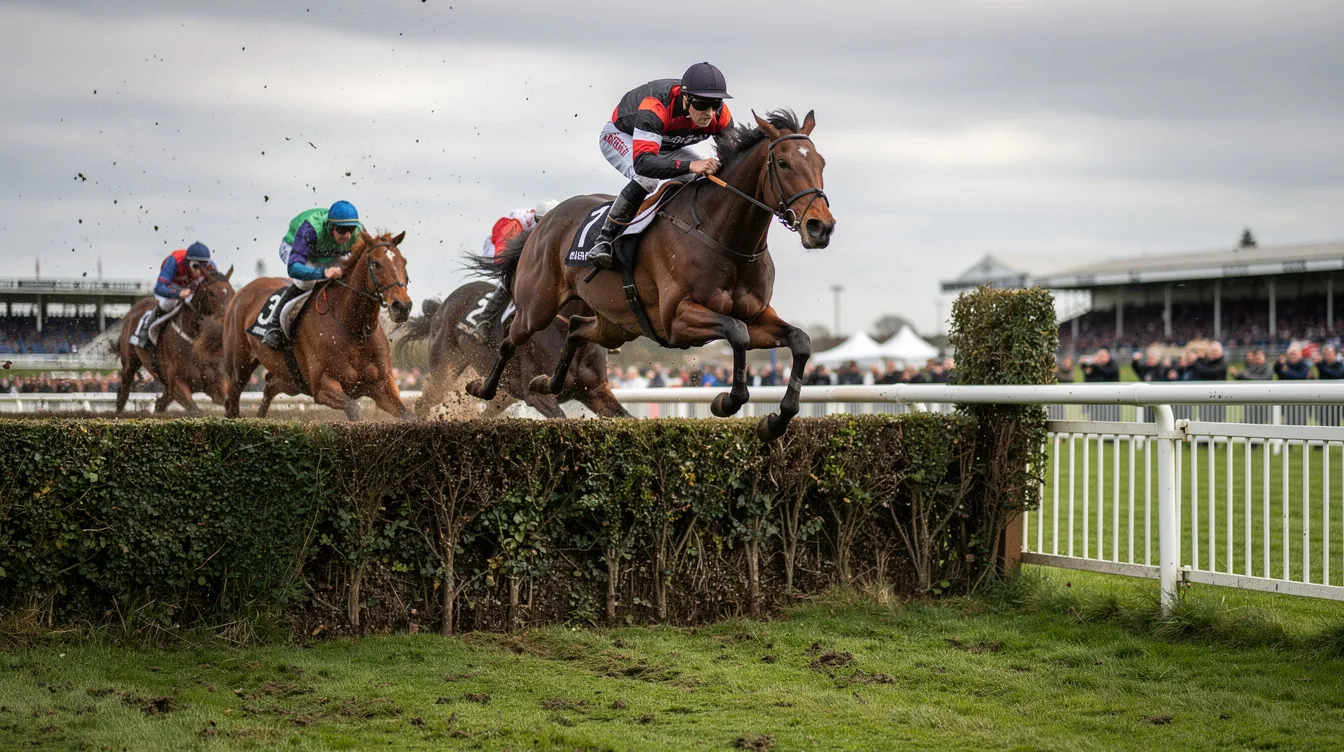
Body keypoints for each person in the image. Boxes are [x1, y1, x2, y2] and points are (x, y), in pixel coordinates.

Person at [587, 62, 735, 269]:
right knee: (647, 180)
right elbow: (643, 163)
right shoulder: (656, 105)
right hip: (623, 136)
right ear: (686, 99)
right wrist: (691, 165)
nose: (709, 114)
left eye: (715, 104)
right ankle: (603, 240)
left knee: (704, 177)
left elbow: (733, 161)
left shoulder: (721, 115)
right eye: (702, 105)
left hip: (665, 144)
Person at [261, 201, 363, 350]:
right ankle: (274, 325)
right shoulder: (310, 230)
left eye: (350, 229)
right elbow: (294, 268)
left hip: (327, 253)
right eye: (342, 230)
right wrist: (323, 272)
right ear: (331, 226)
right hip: (295, 248)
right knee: (305, 282)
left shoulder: (358, 233)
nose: (347, 235)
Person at [472, 200, 559, 342]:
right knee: (512, 276)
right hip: (498, 247)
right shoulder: (515, 225)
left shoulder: (549, 222)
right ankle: (484, 320)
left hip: (522, 245)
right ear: (538, 220)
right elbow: (504, 256)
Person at [135, 242, 217, 345]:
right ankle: (146, 331)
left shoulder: (212, 267)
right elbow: (159, 288)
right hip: (172, 288)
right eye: (195, 266)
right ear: (187, 262)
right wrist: (178, 293)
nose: (199, 271)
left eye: (204, 266)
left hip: (192, 289)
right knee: (169, 303)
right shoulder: (174, 262)